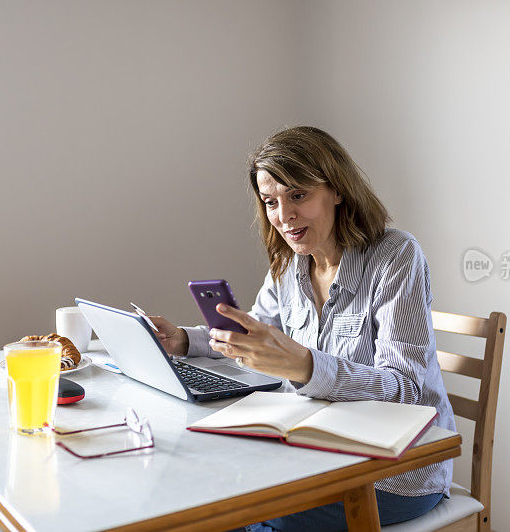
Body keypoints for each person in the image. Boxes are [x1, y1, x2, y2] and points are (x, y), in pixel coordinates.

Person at [148, 126, 455, 531]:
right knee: (202, 493)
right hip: (316, 455)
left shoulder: (395, 255)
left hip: (394, 475)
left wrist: (307, 367)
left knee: (231, 513)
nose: (284, 216)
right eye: (271, 201)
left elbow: (406, 389)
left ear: (338, 190)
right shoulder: (290, 266)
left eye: (298, 195)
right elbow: (256, 334)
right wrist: (184, 339)